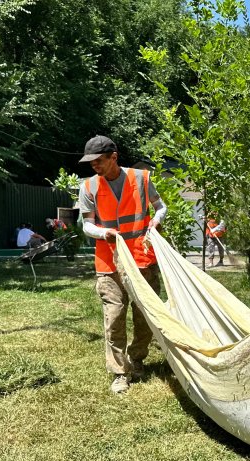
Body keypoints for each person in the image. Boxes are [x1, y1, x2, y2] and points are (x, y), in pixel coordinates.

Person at [77, 135, 167, 394]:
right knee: (114, 317)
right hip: (109, 263)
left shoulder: (141, 178)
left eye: (99, 161)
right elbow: (87, 224)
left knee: (143, 316)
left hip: (142, 259)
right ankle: (119, 372)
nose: (95, 166)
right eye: (91, 163)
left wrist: (156, 221)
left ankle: (137, 360)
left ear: (113, 157)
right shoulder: (89, 187)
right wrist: (104, 233)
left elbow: (161, 207)